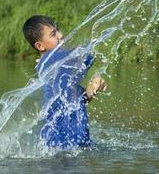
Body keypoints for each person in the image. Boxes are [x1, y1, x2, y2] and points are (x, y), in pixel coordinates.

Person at [22, 15, 107, 148]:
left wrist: (92, 87)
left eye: (58, 30)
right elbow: (86, 55)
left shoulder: (57, 69)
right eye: (53, 34)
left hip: (70, 142)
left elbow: (76, 100)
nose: (61, 35)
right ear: (40, 46)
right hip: (62, 143)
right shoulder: (51, 62)